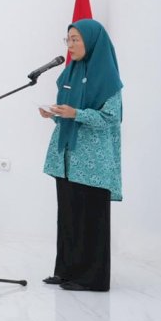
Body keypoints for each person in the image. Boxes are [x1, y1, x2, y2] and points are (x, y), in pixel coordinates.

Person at [39, 19, 123, 291]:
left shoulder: (108, 80)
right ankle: (66, 271)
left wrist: (76, 113)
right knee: (68, 216)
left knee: (91, 219)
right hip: (66, 158)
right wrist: (54, 114)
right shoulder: (70, 74)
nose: (71, 45)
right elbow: (67, 115)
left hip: (92, 163)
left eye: (76, 39)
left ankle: (91, 279)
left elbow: (111, 118)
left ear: (92, 42)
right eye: (68, 39)